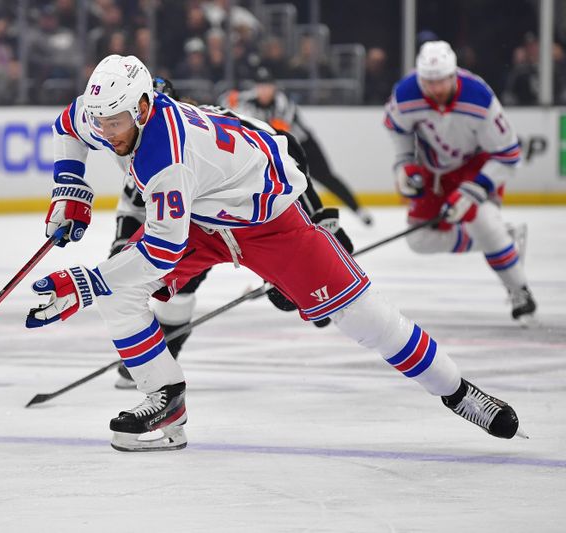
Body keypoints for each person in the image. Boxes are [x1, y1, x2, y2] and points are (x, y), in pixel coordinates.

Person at [26, 54, 525, 452]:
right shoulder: (111, 116)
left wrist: (84, 284)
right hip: (205, 218)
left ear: (140, 108)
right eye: (101, 121)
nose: (105, 131)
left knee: (364, 320)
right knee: (121, 293)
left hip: (270, 224)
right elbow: (69, 126)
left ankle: (459, 393)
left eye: (114, 122)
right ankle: (166, 401)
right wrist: (70, 185)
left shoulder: (167, 157)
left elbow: (160, 251)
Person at [109, 76, 354, 389]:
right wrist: (122, 248)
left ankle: (322, 293)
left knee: (306, 281)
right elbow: (131, 204)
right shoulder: (146, 149)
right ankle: (164, 351)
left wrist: (320, 219)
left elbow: (283, 149)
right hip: (198, 231)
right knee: (176, 287)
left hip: (253, 221)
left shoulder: (208, 122)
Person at [384, 41, 536, 324]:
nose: (436, 89)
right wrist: (404, 164)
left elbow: (508, 154)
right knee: (419, 240)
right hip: (434, 171)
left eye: (441, 81)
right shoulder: (406, 94)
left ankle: (519, 290)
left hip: (477, 167)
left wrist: (474, 188)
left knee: (484, 222)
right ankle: (503, 241)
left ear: (454, 75)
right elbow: (396, 128)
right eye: (429, 82)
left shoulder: (479, 98)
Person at [220, 67, 374, 226]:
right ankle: (305, 221)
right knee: (292, 184)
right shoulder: (249, 98)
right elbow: (226, 100)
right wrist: (230, 100)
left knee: (326, 178)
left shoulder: (283, 103)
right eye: (260, 87)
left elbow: (277, 129)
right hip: (280, 147)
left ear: (274, 87)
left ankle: (358, 209)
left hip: (304, 146)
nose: (264, 91)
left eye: (268, 86)